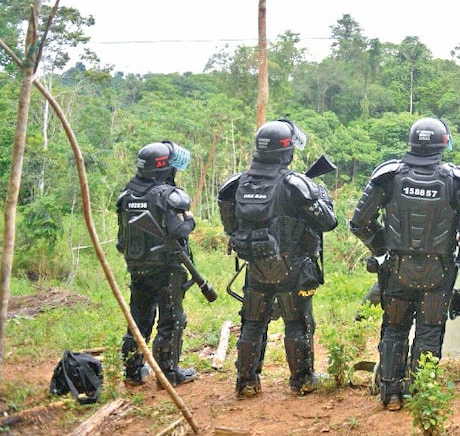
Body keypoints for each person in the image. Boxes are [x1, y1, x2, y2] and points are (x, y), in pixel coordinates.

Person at [349, 117, 460, 410]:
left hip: (397, 269)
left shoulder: (388, 177)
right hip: (438, 272)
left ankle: (390, 393)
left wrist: (383, 247)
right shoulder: (456, 180)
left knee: (394, 328)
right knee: (429, 330)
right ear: (443, 144)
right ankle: (420, 392)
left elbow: (359, 223)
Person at [217, 119, 337, 397]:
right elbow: (328, 222)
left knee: (253, 323)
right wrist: (321, 195)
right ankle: (302, 379)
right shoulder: (295, 184)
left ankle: (246, 382)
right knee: (297, 324)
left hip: (256, 268)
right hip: (293, 268)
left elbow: (230, 226)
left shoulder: (235, 184)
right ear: (287, 150)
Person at [116, 141, 198, 387]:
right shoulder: (168, 196)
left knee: (139, 319)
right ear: (163, 168)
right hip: (167, 269)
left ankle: (132, 372)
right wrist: (190, 221)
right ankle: (168, 374)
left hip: (138, 268)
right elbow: (179, 230)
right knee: (171, 320)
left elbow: (121, 240)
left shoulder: (126, 196)